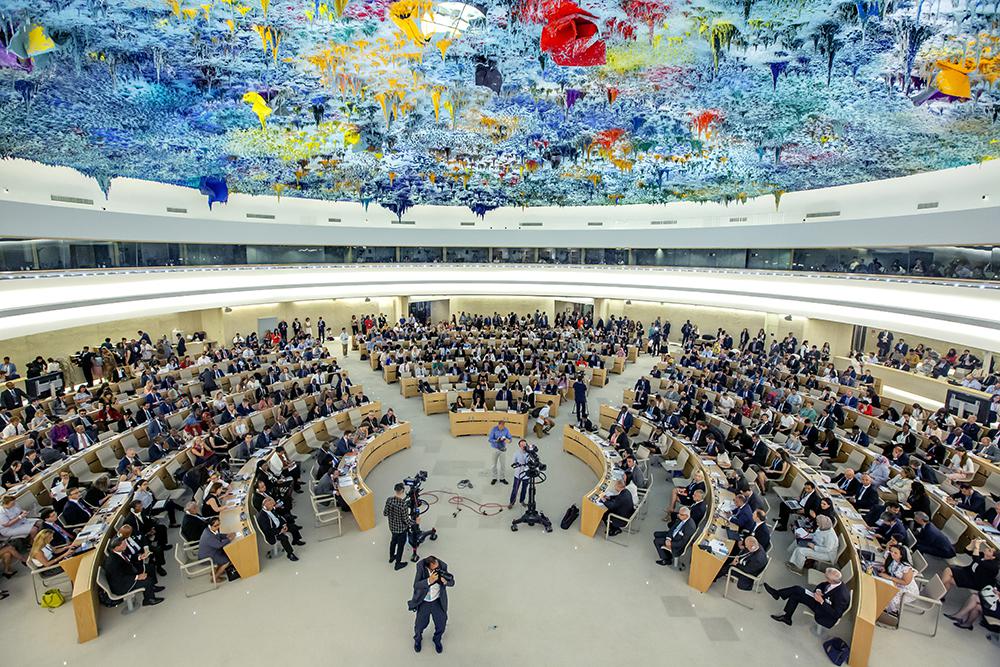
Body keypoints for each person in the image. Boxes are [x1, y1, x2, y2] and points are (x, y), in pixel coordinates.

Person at [764, 567, 850, 628]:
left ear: (832, 580)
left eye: (827, 578)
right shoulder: (834, 582)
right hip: (819, 600)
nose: (825, 579)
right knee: (796, 591)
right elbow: (822, 585)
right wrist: (818, 590)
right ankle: (786, 617)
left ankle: (778, 596)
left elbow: (836, 614)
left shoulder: (842, 596)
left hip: (824, 612)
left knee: (796, 593)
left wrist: (821, 602)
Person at [408, 555, 455, 654]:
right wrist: (429, 581)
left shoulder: (443, 566)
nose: (437, 570)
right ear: (428, 567)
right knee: (419, 625)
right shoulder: (421, 567)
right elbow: (416, 585)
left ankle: (437, 639)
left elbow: (452, 582)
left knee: (441, 623)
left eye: (438, 567)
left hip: (437, 601)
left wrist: (445, 582)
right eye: (434, 569)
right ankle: (417, 640)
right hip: (424, 601)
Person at [104, 537, 164, 606]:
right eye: (123, 544)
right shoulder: (112, 562)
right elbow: (119, 578)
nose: (125, 545)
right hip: (121, 585)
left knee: (150, 567)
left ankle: (152, 587)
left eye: (124, 543)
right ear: (116, 547)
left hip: (128, 571)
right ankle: (149, 600)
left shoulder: (119, 551)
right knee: (147, 580)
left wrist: (140, 557)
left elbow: (129, 558)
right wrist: (137, 577)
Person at [257, 496, 303, 561]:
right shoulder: (262, 517)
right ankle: (290, 554)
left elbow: (279, 517)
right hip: (273, 533)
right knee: (284, 538)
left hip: (279, 527)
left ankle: (296, 540)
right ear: (266, 506)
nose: (273, 507)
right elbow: (268, 530)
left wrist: (284, 525)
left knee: (293, 527)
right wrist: (280, 531)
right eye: (272, 505)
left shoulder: (270, 509)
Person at [879, 544, 919, 615]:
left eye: (895, 553)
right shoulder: (892, 559)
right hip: (896, 582)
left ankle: (892, 612)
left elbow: (906, 582)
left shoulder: (906, 568)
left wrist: (889, 577)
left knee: (889, 593)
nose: (892, 553)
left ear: (901, 555)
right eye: (891, 551)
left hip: (908, 590)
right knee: (882, 586)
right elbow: (889, 568)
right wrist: (885, 569)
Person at [198, 516, 239, 582]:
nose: (218, 527)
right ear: (210, 525)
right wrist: (229, 539)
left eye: (219, 524)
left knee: (225, 554)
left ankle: (216, 571)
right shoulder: (208, 536)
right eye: (216, 525)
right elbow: (219, 545)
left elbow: (219, 535)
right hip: (208, 556)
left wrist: (227, 535)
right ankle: (214, 578)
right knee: (227, 561)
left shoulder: (210, 529)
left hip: (211, 552)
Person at [384, 483, 415, 571]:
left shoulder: (389, 500)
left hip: (392, 528)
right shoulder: (403, 505)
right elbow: (406, 520)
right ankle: (398, 564)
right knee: (401, 546)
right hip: (401, 530)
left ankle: (391, 557)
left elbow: (385, 513)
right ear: (402, 490)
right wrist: (415, 522)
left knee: (393, 542)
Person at [508, 439, 531, 509]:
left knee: (524, 489)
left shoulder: (530, 453)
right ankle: (511, 502)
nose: (524, 446)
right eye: (522, 445)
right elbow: (513, 462)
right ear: (519, 446)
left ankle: (522, 501)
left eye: (525, 445)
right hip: (518, 474)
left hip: (526, 475)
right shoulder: (516, 453)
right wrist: (518, 465)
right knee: (515, 489)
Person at [488, 420, 511, 486]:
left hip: (502, 449)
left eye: (503, 426)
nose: (502, 427)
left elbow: (510, 439)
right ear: (498, 425)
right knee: (493, 465)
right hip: (494, 448)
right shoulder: (494, 429)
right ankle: (494, 478)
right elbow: (490, 439)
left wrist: (508, 441)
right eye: (501, 426)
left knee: (503, 465)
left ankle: (502, 478)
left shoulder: (506, 430)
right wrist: (496, 440)